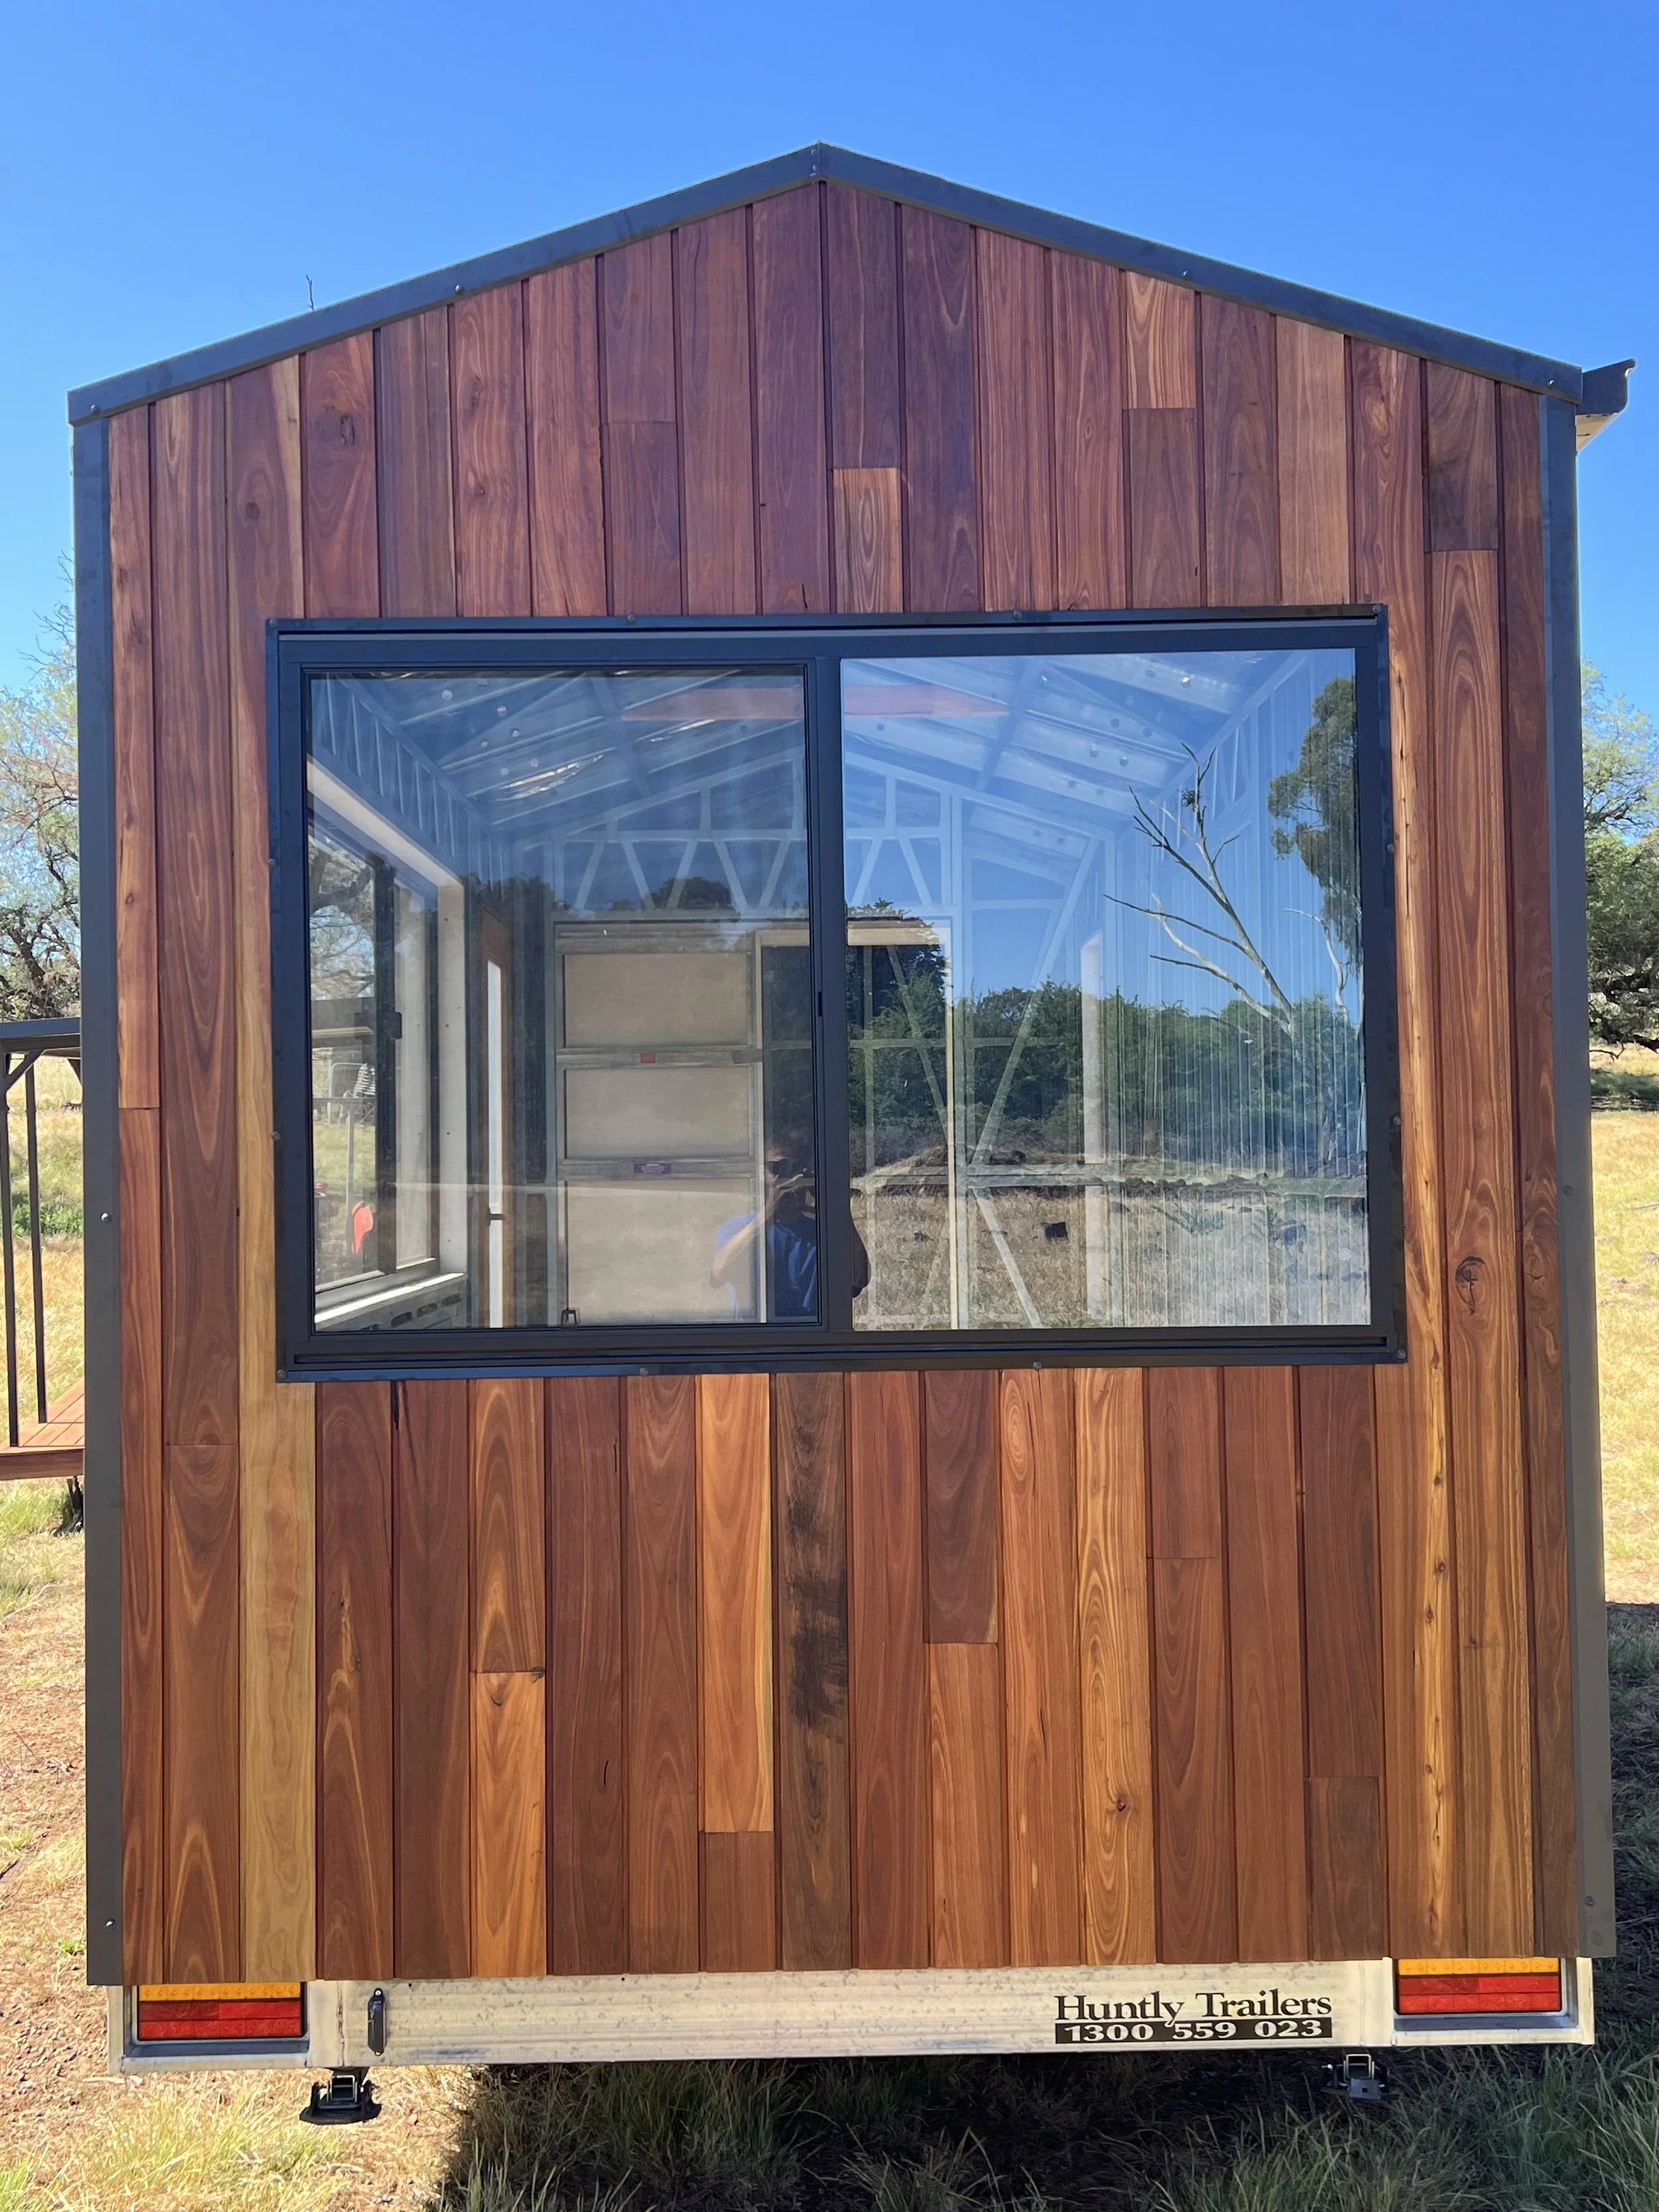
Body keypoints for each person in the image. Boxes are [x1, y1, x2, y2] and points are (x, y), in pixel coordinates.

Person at [711, 1134, 870, 1321]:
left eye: (792, 1168)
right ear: (762, 1174)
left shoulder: (822, 1233)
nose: (783, 1176)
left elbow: (858, 1279)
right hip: (755, 1341)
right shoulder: (741, 1228)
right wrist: (768, 1214)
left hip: (811, 1341)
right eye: (775, 1168)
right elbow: (719, 1275)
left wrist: (835, 1207)